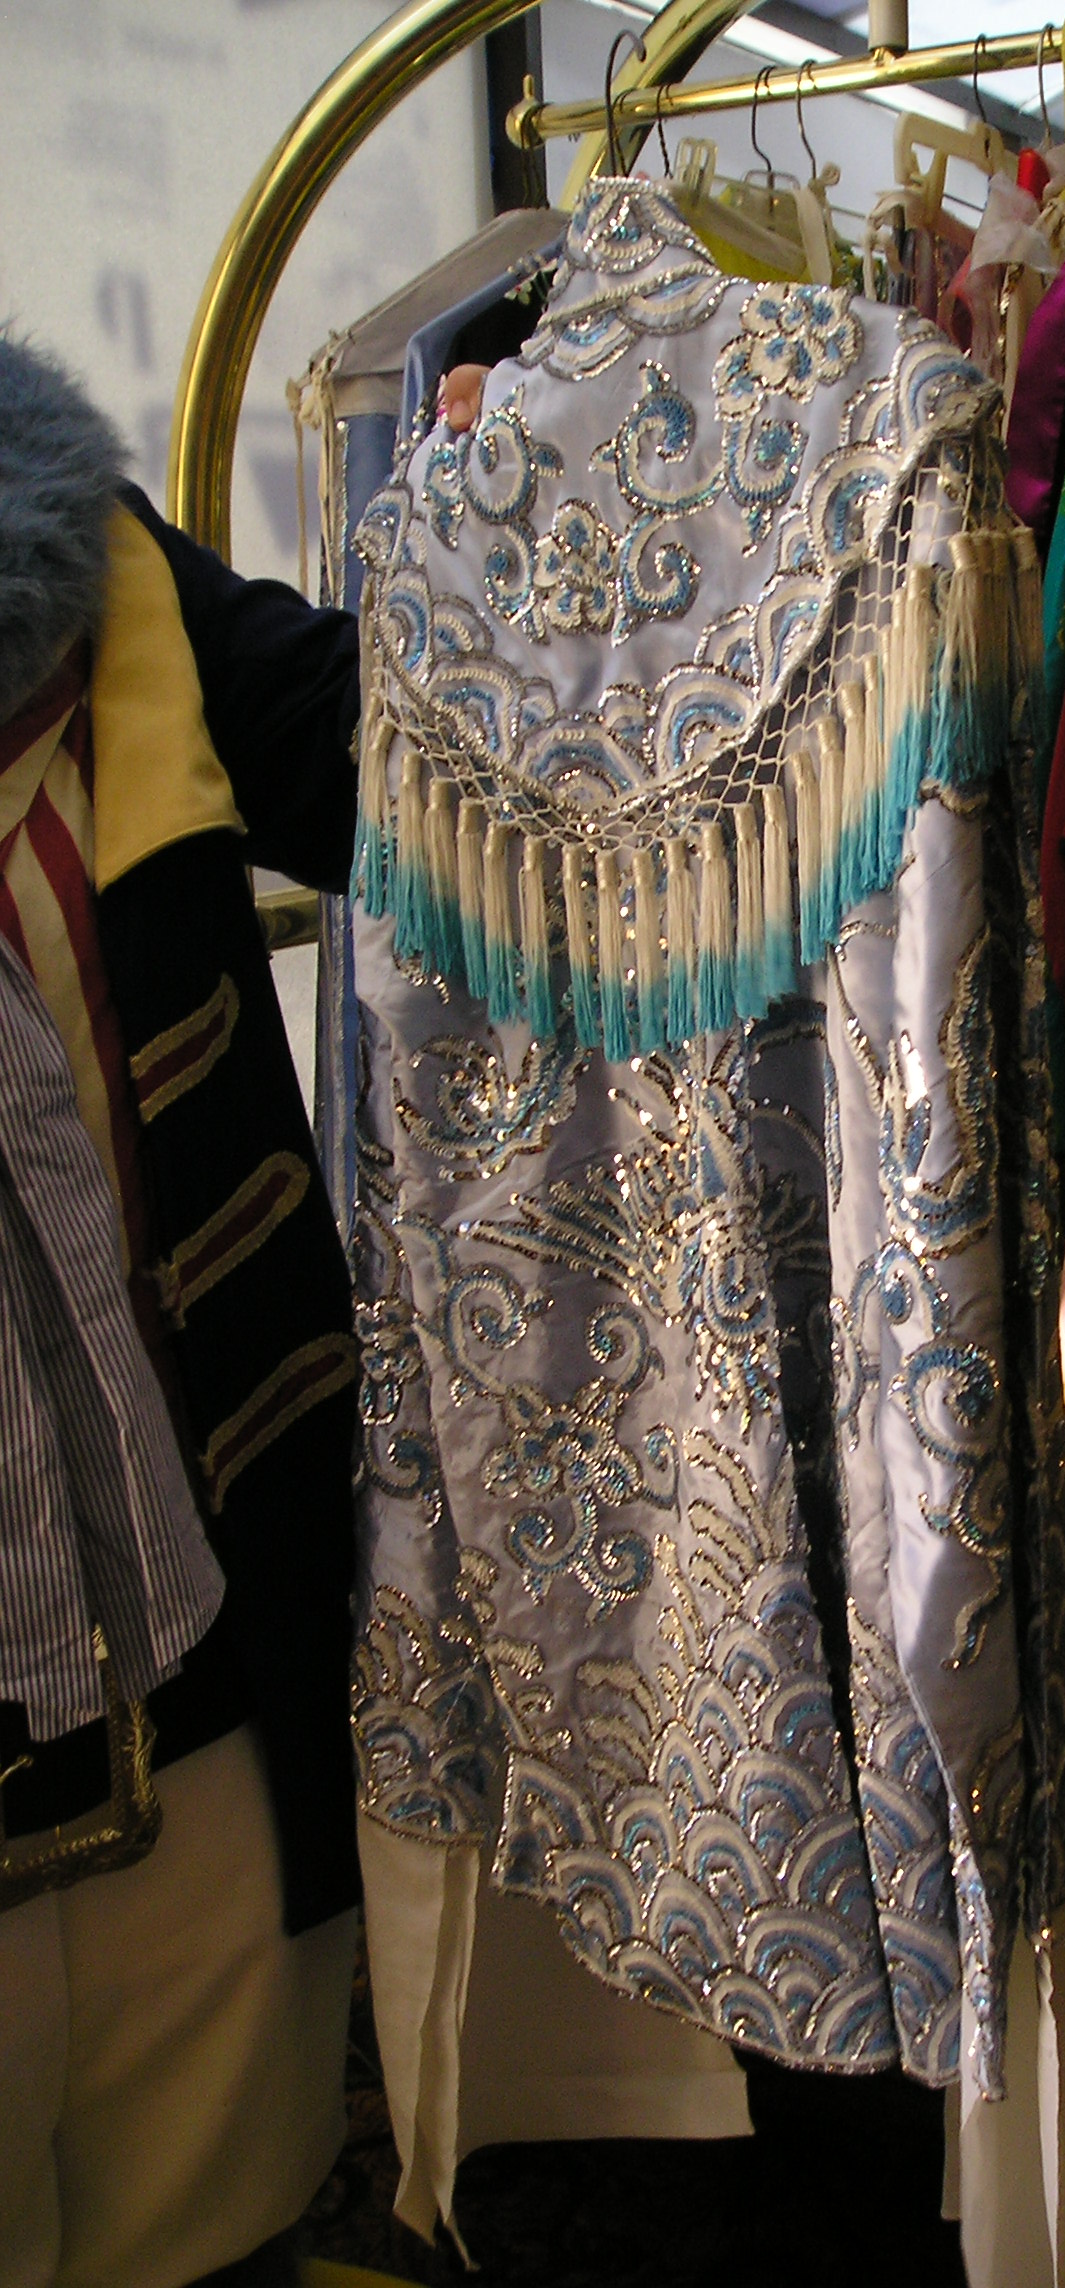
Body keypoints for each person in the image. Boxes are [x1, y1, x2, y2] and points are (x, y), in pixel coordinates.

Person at [0, 328, 365, 2288]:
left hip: (198, 1680)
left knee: (218, 2236)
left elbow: (397, 757)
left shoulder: (97, 565)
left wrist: (571, 524)